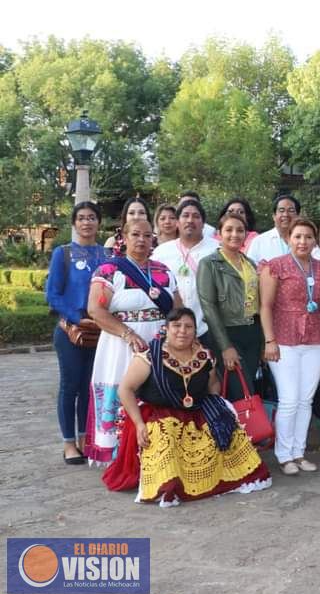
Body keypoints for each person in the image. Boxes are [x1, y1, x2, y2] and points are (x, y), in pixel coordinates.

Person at [103, 308, 271, 504]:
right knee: (167, 436)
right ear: (166, 329)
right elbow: (126, 389)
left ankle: (217, 480)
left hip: (195, 413)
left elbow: (213, 385)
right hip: (158, 414)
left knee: (224, 431)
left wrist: (215, 409)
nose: (182, 331)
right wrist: (139, 424)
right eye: (176, 326)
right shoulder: (149, 355)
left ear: (195, 331)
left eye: (188, 326)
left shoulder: (204, 356)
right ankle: (171, 483)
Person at [85, 218, 178, 465]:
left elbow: (178, 311)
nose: (142, 240)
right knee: (120, 391)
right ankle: (119, 456)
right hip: (119, 344)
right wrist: (128, 334)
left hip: (158, 344)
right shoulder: (108, 271)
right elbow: (95, 310)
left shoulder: (164, 271)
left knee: (154, 392)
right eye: (136, 234)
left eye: (147, 236)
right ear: (124, 238)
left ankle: (154, 453)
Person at [259, 218, 320, 475]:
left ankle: (299, 453)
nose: (303, 242)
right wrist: (269, 340)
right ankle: (284, 455)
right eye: (298, 236)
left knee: (305, 400)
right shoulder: (275, 266)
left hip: (314, 339)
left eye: (308, 237)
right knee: (288, 399)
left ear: (314, 241)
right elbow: (265, 306)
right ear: (289, 239)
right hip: (284, 339)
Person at [45, 202, 109, 465]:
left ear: (98, 223)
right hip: (71, 331)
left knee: (89, 387)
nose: (86, 223)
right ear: (74, 223)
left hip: (100, 331)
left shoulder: (106, 255)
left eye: (92, 217)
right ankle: (69, 443)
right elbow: (53, 294)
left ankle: (86, 438)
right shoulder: (64, 253)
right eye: (81, 218)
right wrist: (77, 317)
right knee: (69, 386)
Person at [197, 212, 263, 402]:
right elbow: (208, 307)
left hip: (252, 333)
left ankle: (246, 430)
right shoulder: (209, 264)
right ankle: (242, 431)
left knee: (248, 387)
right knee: (242, 393)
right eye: (229, 230)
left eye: (240, 230)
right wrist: (225, 346)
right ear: (219, 233)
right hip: (227, 333)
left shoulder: (249, 263)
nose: (235, 234)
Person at [152, 199, 218, 348]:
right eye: (185, 215)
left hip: (209, 330)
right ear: (177, 221)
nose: (190, 220)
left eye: (196, 216)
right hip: (172, 331)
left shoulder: (217, 250)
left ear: (203, 222)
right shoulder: (161, 253)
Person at [247, 194, 320, 267]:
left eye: (291, 210)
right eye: (281, 210)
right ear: (274, 216)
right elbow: (250, 270)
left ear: (298, 216)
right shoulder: (259, 241)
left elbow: (317, 265)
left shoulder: (308, 241)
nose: (285, 214)